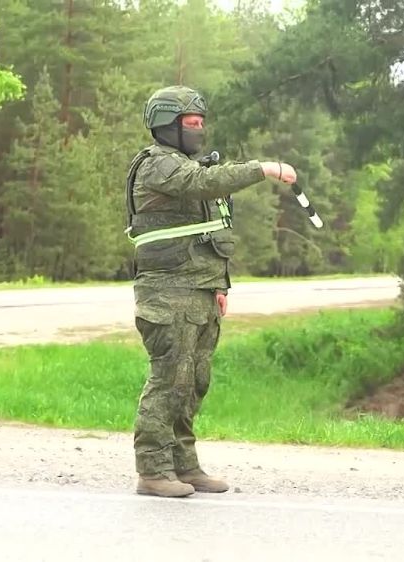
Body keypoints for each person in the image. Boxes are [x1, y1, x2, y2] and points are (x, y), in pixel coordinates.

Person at [124, 85, 296, 498]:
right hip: (167, 293)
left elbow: (208, 235)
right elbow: (204, 183)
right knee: (169, 380)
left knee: (193, 382)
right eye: (192, 124)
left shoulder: (186, 165)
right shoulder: (158, 166)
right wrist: (263, 168)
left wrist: (219, 286)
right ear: (168, 125)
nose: (199, 131)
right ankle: (153, 469)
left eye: (202, 124)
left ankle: (184, 464)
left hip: (199, 291)